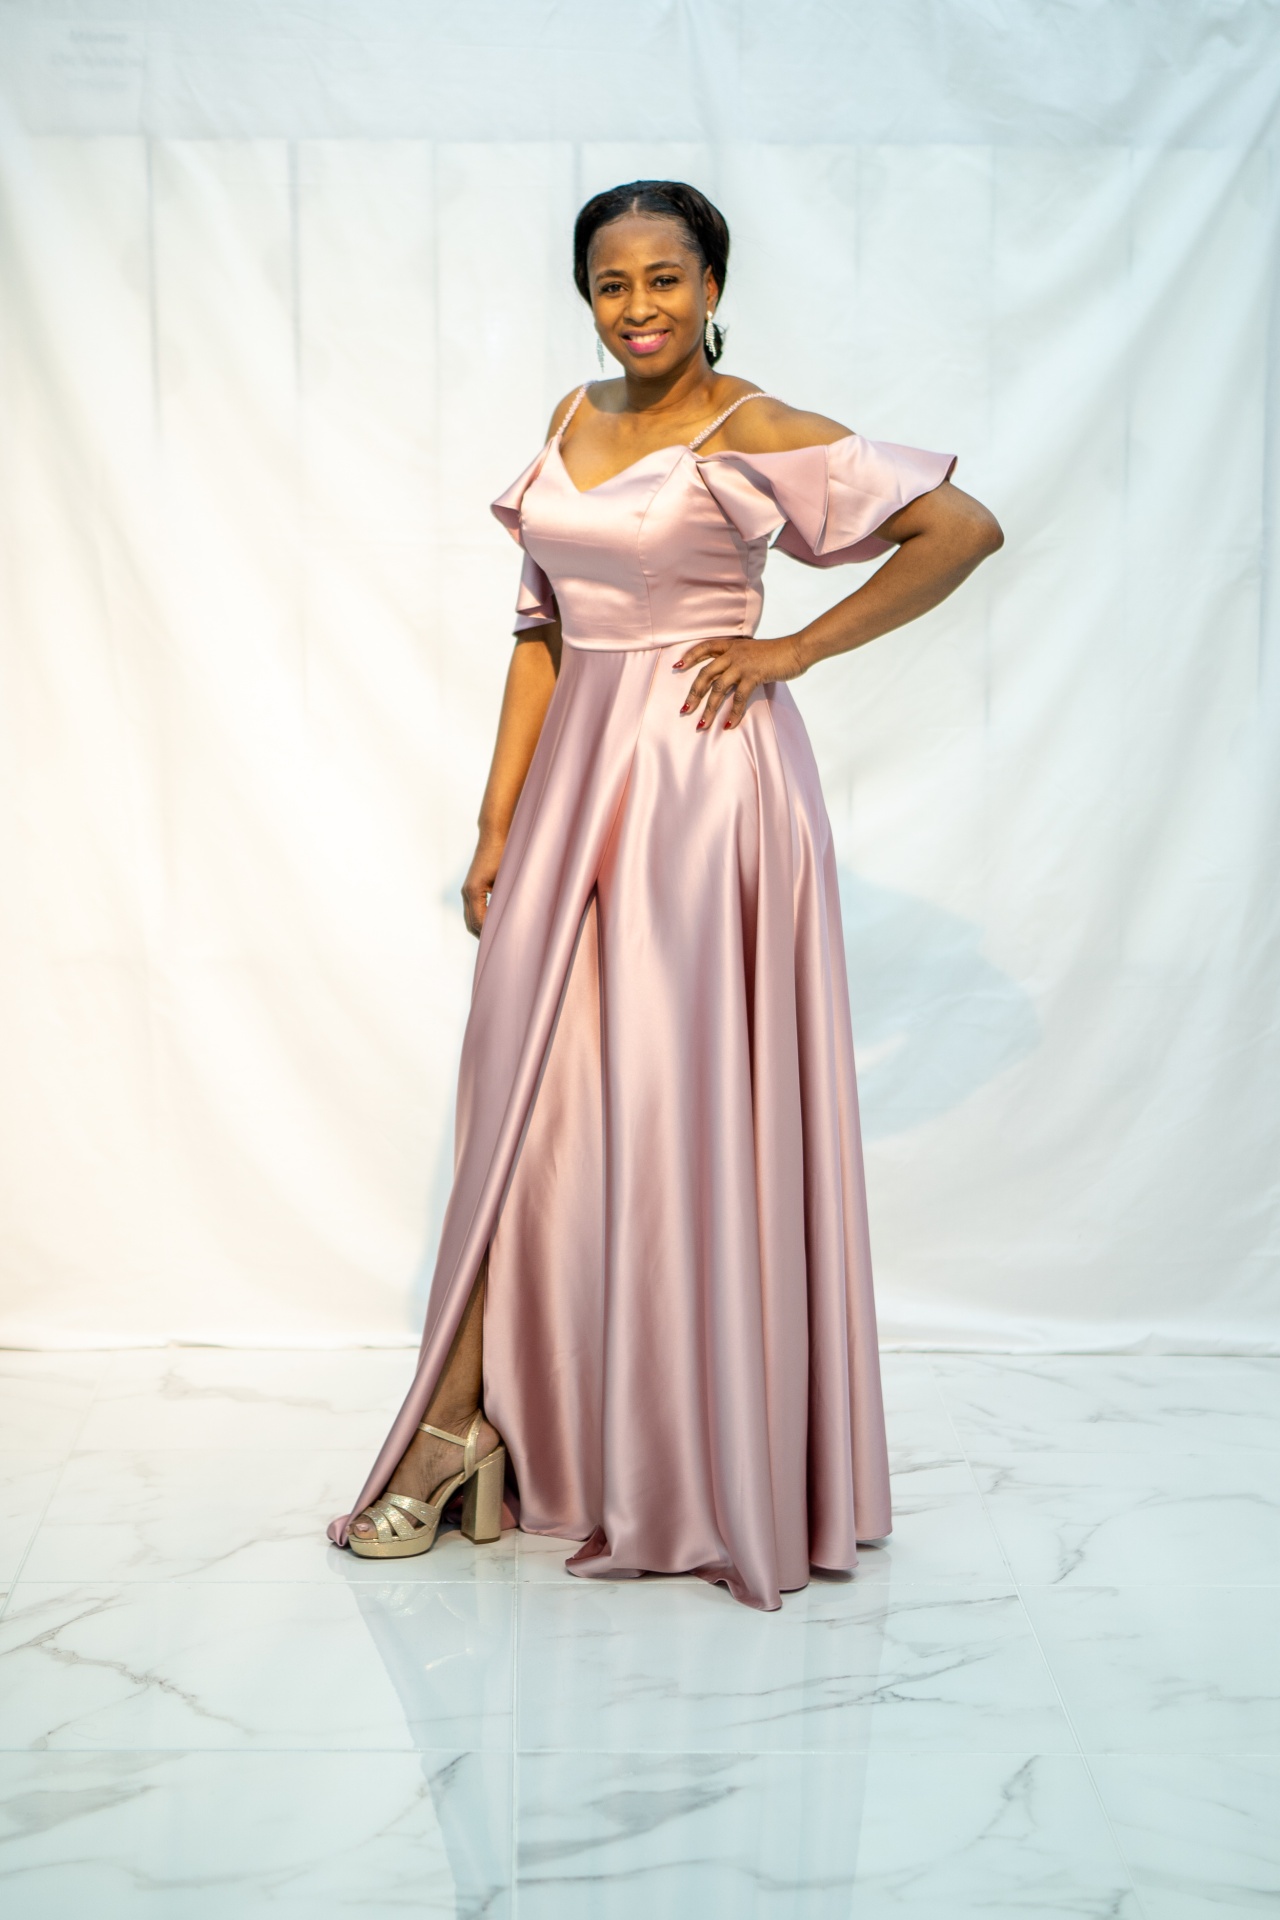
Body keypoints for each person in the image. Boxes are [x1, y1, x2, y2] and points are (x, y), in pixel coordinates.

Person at [329, 180, 1002, 1610]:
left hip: (705, 795)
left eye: (665, 278)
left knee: (665, 1112)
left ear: (713, 285)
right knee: (526, 1107)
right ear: (588, 295)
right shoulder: (571, 421)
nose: (638, 307)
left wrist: (794, 649)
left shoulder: (752, 426)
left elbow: (962, 529)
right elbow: (540, 631)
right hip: (571, 788)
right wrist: (496, 821)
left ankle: (626, 1450)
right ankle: (474, 1429)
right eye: (611, 282)